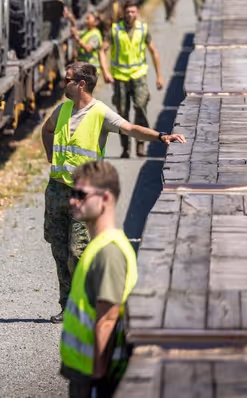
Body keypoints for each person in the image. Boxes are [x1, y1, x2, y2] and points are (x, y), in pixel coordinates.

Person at [41, 62, 184, 323]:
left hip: (84, 194)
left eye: (67, 79)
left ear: (80, 84)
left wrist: (161, 136)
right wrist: (51, 155)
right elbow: (46, 129)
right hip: (57, 189)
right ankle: (68, 305)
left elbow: (130, 129)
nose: (63, 83)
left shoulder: (100, 112)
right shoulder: (62, 110)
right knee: (59, 252)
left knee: (78, 251)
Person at [59, 161, 137, 398]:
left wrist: (98, 379)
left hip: (93, 378)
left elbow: (107, 320)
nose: (73, 201)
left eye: (81, 195)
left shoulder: (109, 252)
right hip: (83, 372)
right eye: (73, 194)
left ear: (106, 198)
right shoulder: (97, 246)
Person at [99, 0, 165, 158]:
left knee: (141, 107)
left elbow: (153, 51)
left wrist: (159, 76)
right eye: (128, 11)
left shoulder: (143, 29)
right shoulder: (115, 30)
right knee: (122, 113)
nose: (130, 14)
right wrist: (105, 72)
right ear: (123, 13)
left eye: (133, 11)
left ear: (137, 12)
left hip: (138, 76)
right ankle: (125, 147)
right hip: (120, 77)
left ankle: (140, 144)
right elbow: (102, 50)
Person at [64, 6, 103, 83]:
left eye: (88, 18)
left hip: (91, 70)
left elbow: (88, 48)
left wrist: (78, 39)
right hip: (85, 69)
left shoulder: (95, 35)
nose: (85, 20)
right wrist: (71, 19)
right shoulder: (87, 31)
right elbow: (76, 32)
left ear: (95, 21)